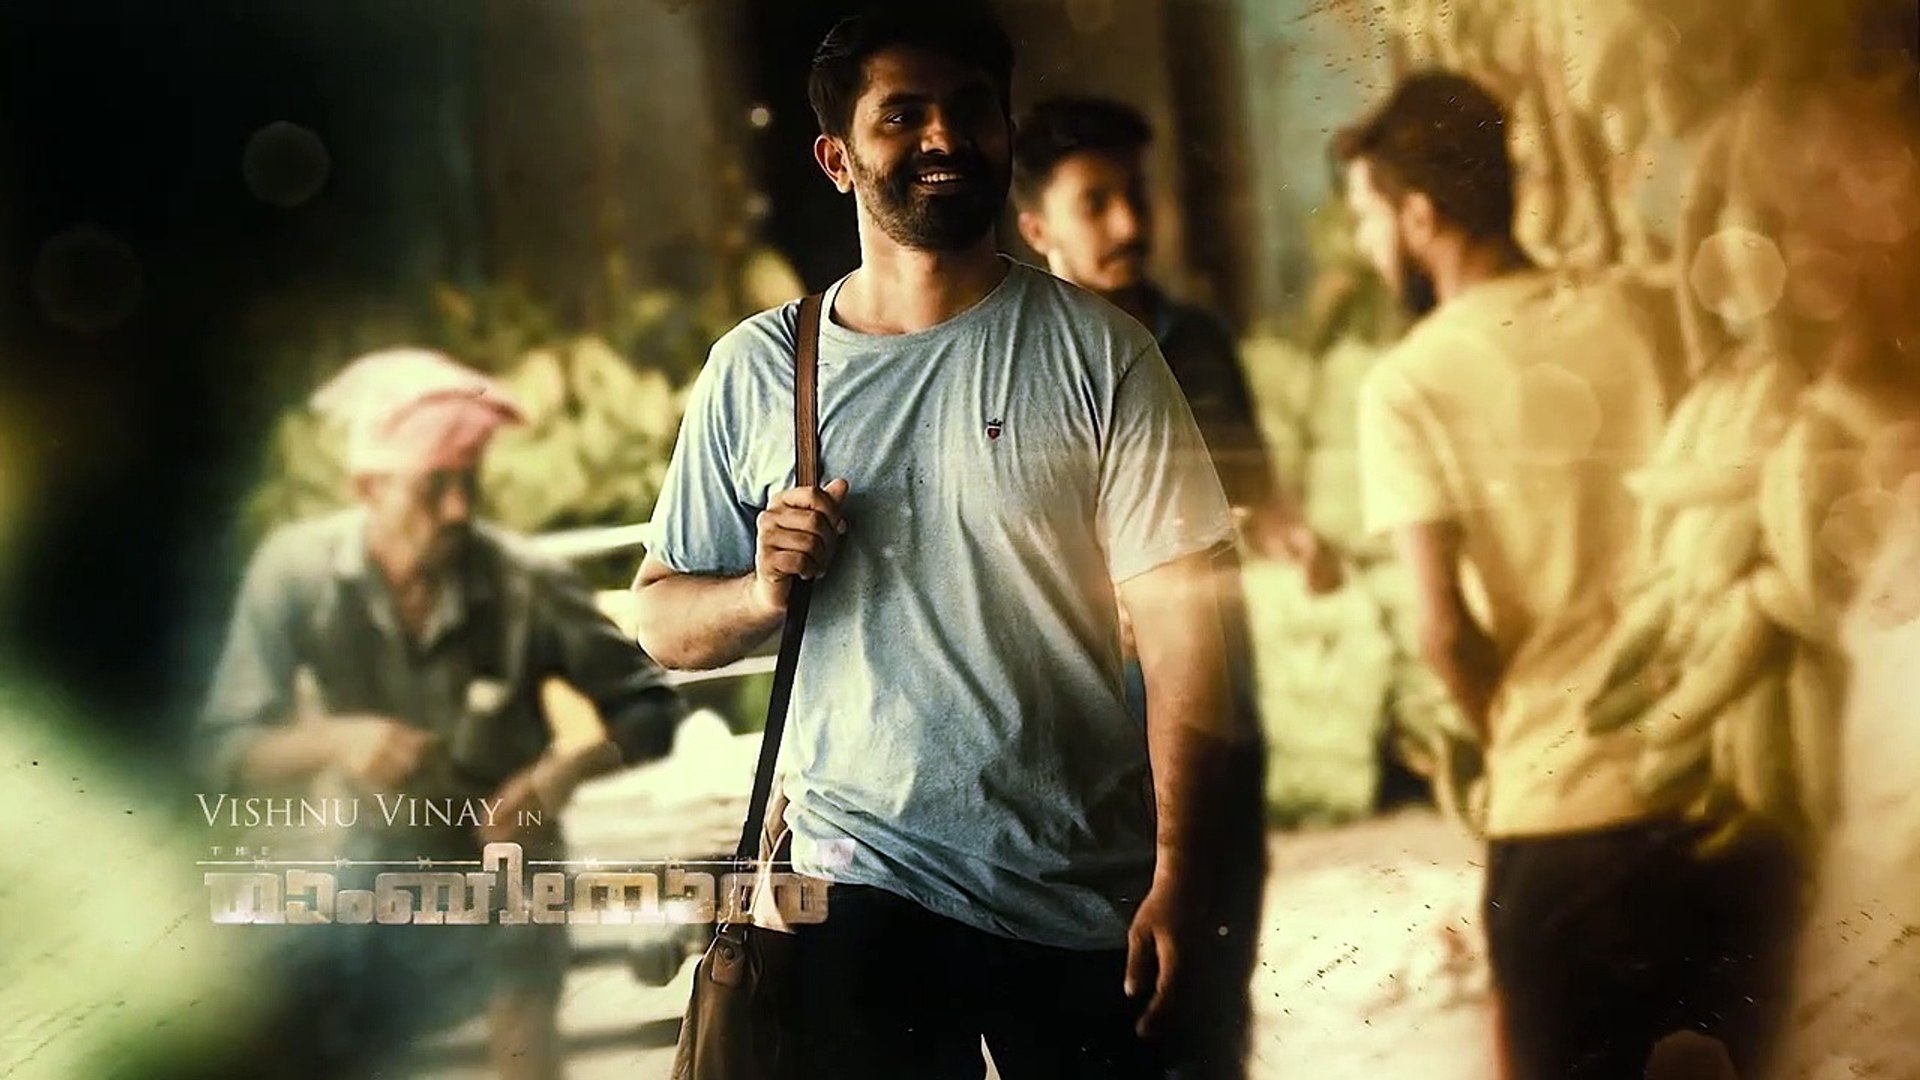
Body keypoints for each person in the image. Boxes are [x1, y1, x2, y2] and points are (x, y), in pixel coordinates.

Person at [631, 8, 1243, 1079]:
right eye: (902, 115)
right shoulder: (759, 368)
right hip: (857, 884)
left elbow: (1189, 637)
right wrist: (759, 592)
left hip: (1078, 891)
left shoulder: (1104, 356)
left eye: (970, 109)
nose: (944, 137)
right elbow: (661, 623)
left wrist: (1181, 880)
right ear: (836, 158)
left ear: (1004, 130)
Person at [1337, 73, 1795, 1079]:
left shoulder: (1407, 385)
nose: (1369, 246)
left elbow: (1444, 635)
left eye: (1370, 217)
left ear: (1420, 216)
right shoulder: (1647, 311)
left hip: (1564, 827)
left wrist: (1513, 731)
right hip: (1720, 802)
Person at [197, 347, 688, 1080]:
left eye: (469, 483)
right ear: (366, 487)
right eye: (434, 487)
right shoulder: (295, 574)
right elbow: (225, 750)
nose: (458, 509)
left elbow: (652, 706)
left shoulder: (525, 582)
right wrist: (336, 740)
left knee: (522, 1012)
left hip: (510, 863)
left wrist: (556, 778)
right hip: (372, 861)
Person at [1011, 94, 1318, 1079]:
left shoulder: (1200, 341)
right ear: (1036, 227)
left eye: (1136, 196)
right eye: (1095, 202)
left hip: (1223, 717)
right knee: (1117, 1018)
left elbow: (1261, 494)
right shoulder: (1020, 369)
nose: (1129, 224)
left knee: (1218, 996)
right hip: (1092, 745)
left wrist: (1295, 538)